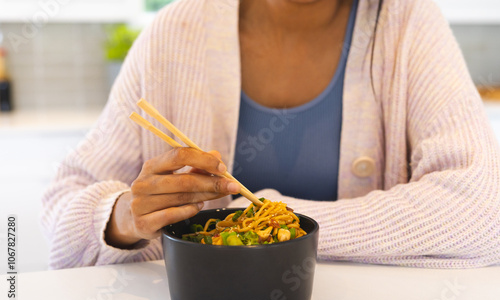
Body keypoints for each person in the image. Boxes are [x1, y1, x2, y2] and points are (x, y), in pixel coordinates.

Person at [41, 0, 500, 269]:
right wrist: (123, 219)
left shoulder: (406, 24)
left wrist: (269, 225)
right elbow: (64, 208)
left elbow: (483, 210)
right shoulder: (175, 33)